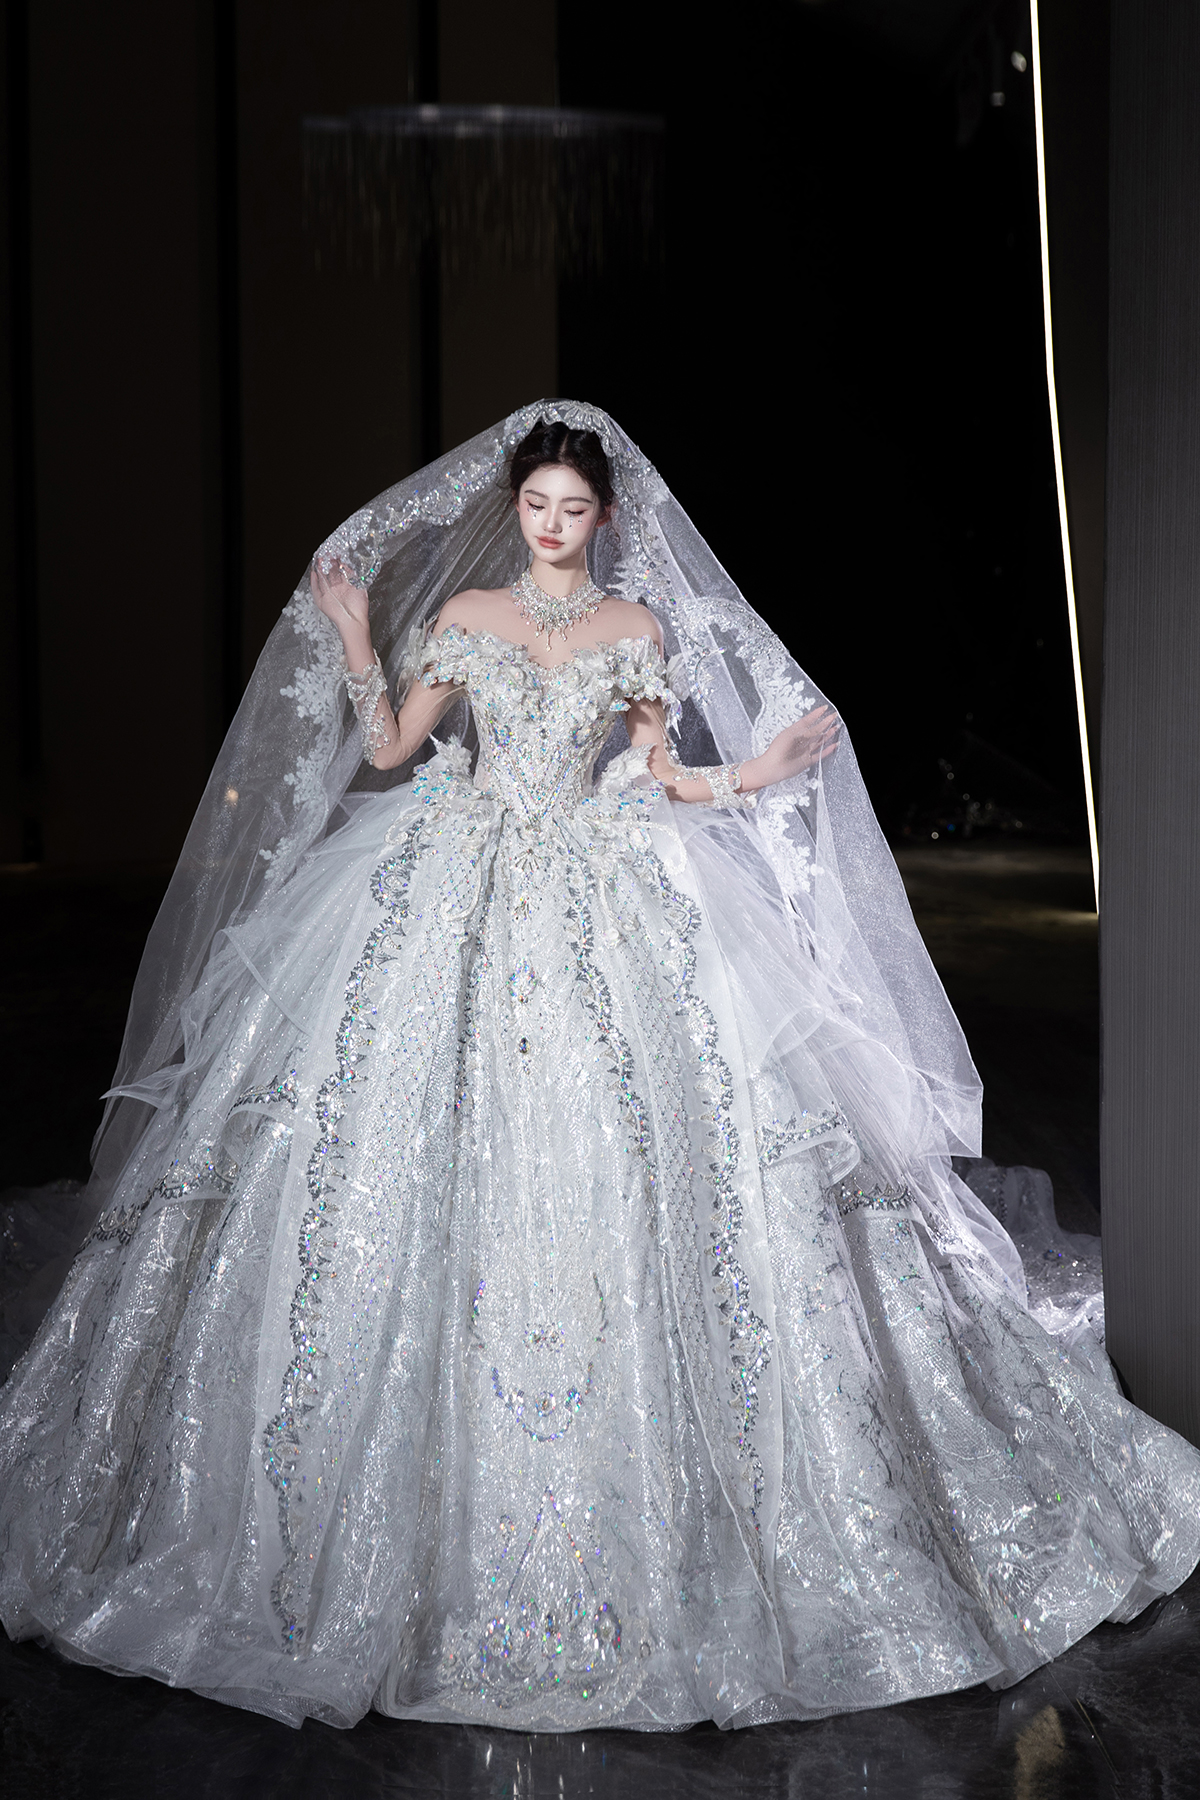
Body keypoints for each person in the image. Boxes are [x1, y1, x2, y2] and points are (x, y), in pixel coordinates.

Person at [1, 402, 1197, 1734]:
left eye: (574, 510)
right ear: (514, 509)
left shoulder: (636, 630)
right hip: (455, 878)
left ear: (605, 517)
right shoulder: (468, 616)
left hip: (602, 877)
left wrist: (757, 767)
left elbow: (657, 772)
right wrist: (354, 637)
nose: (554, 527)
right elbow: (391, 751)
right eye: (537, 508)